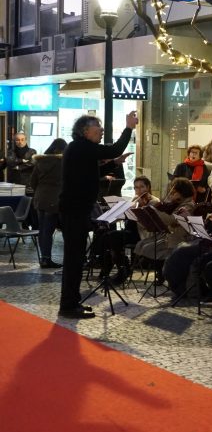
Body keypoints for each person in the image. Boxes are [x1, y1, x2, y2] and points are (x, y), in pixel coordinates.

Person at [58, 112, 137, 319]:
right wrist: (128, 127)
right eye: (98, 128)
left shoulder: (80, 149)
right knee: (74, 260)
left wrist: (115, 163)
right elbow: (114, 149)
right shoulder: (81, 146)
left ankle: (72, 302)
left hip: (77, 210)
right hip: (74, 211)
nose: (101, 131)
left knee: (76, 259)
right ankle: (68, 306)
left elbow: (92, 171)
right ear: (85, 131)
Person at [29, 138, 67, 269]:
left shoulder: (40, 162)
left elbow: (32, 182)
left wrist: (41, 190)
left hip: (40, 199)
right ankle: (47, 260)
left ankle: (44, 258)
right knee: (49, 230)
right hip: (55, 200)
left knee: (43, 230)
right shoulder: (62, 163)